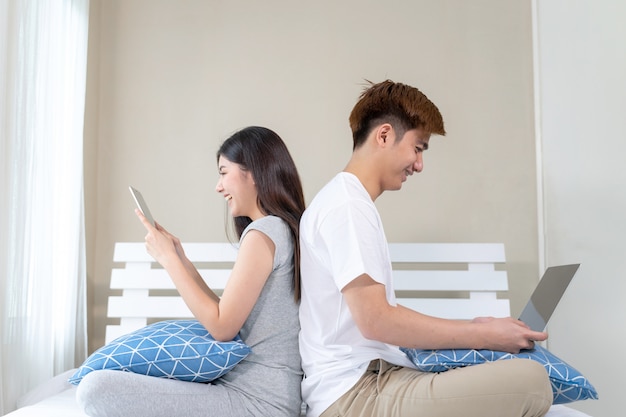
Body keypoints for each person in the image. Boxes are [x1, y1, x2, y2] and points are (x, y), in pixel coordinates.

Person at [298, 80, 554, 417]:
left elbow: (377, 315)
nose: (419, 164)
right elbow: (376, 321)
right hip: (355, 396)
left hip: (371, 381)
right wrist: (482, 335)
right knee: (533, 382)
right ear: (385, 135)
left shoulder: (347, 201)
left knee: (519, 374)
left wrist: (479, 329)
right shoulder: (347, 207)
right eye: (418, 148)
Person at [77, 126, 305, 417]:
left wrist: (168, 261)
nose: (218, 186)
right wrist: (181, 259)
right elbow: (227, 313)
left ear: (253, 172)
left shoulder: (263, 233)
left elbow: (222, 328)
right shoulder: (281, 229)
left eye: (224, 172)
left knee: (94, 388)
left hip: (256, 400)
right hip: (263, 394)